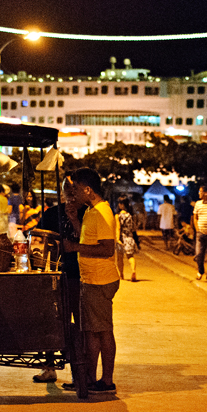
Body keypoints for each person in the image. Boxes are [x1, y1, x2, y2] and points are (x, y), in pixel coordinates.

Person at [64, 167, 120, 395]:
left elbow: (106, 249)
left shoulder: (101, 212)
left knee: (101, 332)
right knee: (93, 332)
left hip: (99, 279)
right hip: (92, 278)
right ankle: (90, 377)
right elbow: (87, 237)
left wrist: (74, 247)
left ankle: (104, 381)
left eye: (76, 189)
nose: (73, 193)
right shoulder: (90, 211)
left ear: (88, 189)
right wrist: (74, 220)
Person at [33, 172, 87, 385]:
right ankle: (48, 367)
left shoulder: (88, 214)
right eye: (68, 193)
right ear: (62, 193)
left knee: (80, 322)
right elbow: (38, 238)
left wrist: (74, 220)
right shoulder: (52, 213)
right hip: (53, 274)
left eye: (75, 193)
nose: (71, 197)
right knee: (50, 319)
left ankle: (80, 372)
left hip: (78, 274)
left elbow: (88, 241)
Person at [115, 196, 138, 282]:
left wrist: (117, 239)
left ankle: (121, 275)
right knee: (130, 257)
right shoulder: (130, 216)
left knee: (120, 258)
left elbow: (118, 228)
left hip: (121, 238)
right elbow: (134, 228)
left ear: (121, 205)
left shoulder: (118, 216)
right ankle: (133, 271)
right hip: (130, 238)